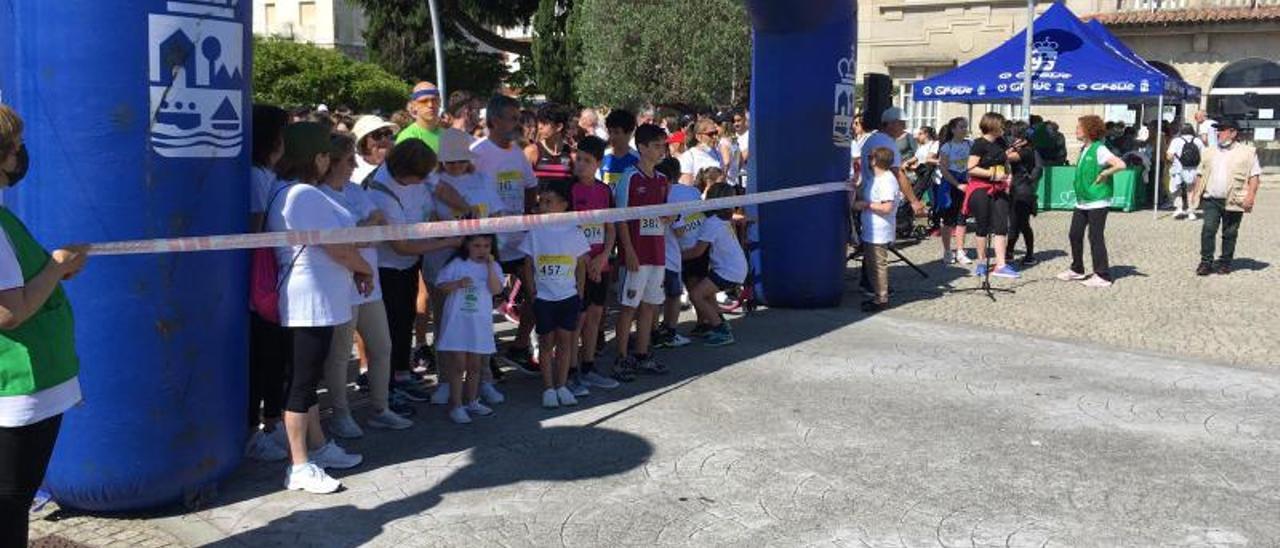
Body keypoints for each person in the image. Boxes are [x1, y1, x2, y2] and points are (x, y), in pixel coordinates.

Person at [0, 105, 90, 547]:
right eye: (14, 147)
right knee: (10, 502)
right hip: (20, 385)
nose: (20, 155)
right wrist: (55, 268)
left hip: (24, 385)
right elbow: (7, 311)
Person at [267, 122, 369, 493]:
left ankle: (318, 447)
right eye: (327, 153)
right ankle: (299, 465)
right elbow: (337, 246)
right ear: (317, 157)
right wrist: (364, 267)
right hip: (308, 300)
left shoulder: (290, 192)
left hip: (316, 297)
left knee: (306, 382)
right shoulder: (302, 195)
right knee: (302, 383)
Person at [317, 133, 413, 438]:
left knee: (382, 346)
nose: (354, 165)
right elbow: (345, 240)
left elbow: (378, 221)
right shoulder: (318, 195)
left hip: (369, 282)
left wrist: (361, 231)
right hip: (340, 285)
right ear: (330, 163)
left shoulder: (355, 190)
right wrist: (363, 231)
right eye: (348, 160)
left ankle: (380, 409)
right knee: (340, 354)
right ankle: (341, 414)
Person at [366, 140, 458, 410]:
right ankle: (387, 389)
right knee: (391, 328)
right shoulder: (381, 193)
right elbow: (402, 246)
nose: (423, 182)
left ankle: (403, 375)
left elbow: (441, 187)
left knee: (406, 319)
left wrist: (466, 210)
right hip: (387, 266)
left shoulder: (419, 170)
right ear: (404, 172)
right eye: (418, 178)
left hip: (409, 263)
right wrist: (447, 241)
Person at [424, 128, 508, 407]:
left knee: (480, 321)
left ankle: (484, 380)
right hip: (443, 258)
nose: (456, 165)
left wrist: (487, 251)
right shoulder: (433, 182)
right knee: (445, 322)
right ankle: (447, 381)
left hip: (478, 259)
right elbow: (429, 219)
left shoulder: (481, 179)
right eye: (450, 160)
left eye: (461, 159)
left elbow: (495, 215)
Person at [472, 95, 540, 374]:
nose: (517, 124)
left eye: (518, 118)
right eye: (512, 118)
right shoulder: (477, 152)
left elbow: (530, 186)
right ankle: (485, 358)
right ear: (494, 121)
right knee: (487, 300)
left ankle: (519, 347)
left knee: (537, 293)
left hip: (518, 239)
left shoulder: (517, 153)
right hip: (489, 241)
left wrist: (524, 219)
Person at [245, 104, 291, 462]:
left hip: (264, 283)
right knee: (266, 360)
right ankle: (260, 430)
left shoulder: (264, 175)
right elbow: (258, 231)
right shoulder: (257, 177)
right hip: (261, 286)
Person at [519, 181, 591, 408]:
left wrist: (579, 292)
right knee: (546, 343)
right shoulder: (536, 231)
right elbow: (528, 265)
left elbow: (581, 265)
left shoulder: (574, 230)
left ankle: (562, 385)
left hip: (568, 297)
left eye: (549, 202)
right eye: (542, 202)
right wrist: (532, 292)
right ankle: (548, 388)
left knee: (566, 342)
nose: (544, 206)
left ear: (564, 205)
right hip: (544, 299)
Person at [613, 123, 672, 380]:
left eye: (664, 145)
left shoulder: (662, 180)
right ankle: (621, 357)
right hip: (635, 255)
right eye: (657, 146)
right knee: (629, 307)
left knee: (649, 306)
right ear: (642, 148)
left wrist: (668, 218)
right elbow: (621, 219)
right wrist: (629, 252)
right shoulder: (630, 177)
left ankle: (641, 354)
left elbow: (660, 215)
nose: (662, 150)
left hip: (657, 252)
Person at [568, 136, 621, 391]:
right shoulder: (568, 189)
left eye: (587, 161)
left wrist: (603, 256)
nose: (580, 164)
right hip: (576, 265)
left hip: (600, 264)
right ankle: (569, 371)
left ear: (598, 163)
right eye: (578, 159)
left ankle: (588, 366)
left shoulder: (604, 191)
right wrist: (586, 258)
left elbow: (610, 228)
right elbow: (567, 228)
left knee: (595, 315)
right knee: (577, 318)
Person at [434, 234, 504, 424]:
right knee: (458, 365)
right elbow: (440, 285)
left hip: (478, 324)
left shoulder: (494, 266)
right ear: (467, 246)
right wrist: (457, 284)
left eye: (486, 246)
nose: (482, 250)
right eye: (477, 245)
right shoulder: (457, 263)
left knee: (475, 365)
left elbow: (496, 289)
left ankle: (472, 400)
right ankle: (456, 405)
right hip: (458, 322)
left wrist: (490, 266)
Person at [1056, 115, 1127, 288]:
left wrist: (1105, 173)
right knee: (1074, 234)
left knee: (1095, 237)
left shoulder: (1099, 149)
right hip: (1083, 200)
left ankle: (1102, 275)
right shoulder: (1084, 149)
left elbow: (1120, 164)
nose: (1076, 130)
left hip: (1098, 200)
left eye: (1079, 127)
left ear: (1089, 130)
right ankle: (1077, 269)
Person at [1191, 119, 1262, 276]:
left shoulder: (1247, 152)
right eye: (1217, 130)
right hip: (1211, 199)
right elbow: (1200, 173)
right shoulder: (1209, 151)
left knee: (1230, 232)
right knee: (1208, 230)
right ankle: (1206, 262)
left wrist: (1250, 196)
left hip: (1234, 199)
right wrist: (1195, 193)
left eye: (1222, 130)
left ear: (1233, 133)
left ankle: (1225, 262)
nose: (1218, 133)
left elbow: (1254, 176)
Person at [680, 182, 748, 344]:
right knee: (707, 294)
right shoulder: (724, 220)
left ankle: (720, 330)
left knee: (696, 295)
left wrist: (675, 257)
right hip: (735, 268)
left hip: (728, 270)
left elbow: (697, 251)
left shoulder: (712, 223)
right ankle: (719, 322)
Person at [653, 159, 702, 350]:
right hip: (671, 257)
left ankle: (653, 334)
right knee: (673, 296)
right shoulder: (675, 198)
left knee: (654, 299)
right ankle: (669, 333)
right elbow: (680, 231)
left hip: (652, 258)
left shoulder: (652, 198)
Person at [964, 112, 1020, 279]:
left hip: (1000, 188)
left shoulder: (1002, 142)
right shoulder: (979, 144)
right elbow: (971, 168)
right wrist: (991, 174)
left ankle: (1001, 264)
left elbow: (1005, 162)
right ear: (993, 126)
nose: (1004, 129)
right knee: (982, 226)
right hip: (981, 187)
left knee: (1001, 225)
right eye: (1002, 125)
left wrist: (1009, 175)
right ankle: (982, 262)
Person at [853, 147, 901, 312]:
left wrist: (866, 205)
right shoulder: (876, 178)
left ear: (875, 160)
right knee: (872, 265)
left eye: (870, 157)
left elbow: (887, 207)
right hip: (871, 229)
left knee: (878, 265)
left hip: (880, 231)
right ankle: (878, 296)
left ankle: (882, 299)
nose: (868, 160)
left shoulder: (887, 180)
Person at [859, 107, 925, 219]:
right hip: (881, 198)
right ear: (890, 124)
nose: (905, 127)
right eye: (901, 123)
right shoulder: (885, 142)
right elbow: (897, 172)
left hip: (874, 196)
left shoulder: (875, 138)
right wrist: (914, 201)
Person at [936, 117, 972, 265]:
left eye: (965, 127)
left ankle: (960, 250)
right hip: (951, 185)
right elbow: (943, 168)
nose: (964, 130)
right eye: (961, 127)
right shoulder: (947, 147)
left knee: (962, 218)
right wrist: (957, 184)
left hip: (966, 181)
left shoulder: (970, 144)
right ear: (953, 130)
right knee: (948, 219)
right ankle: (947, 250)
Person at [1007, 121, 1042, 267]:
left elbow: (1003, 157)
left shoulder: (1026, 151)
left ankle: (1029, 254)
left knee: (1022, 224)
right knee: (1015, 224)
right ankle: (1009, 252)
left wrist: (1011, 148)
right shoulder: (1027, 150)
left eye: (1014, 136)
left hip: (1023, 192)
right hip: (1017, 190)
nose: (1012, 138)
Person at [525, 103, 574, 187]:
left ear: (559, 126)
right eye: (539, 122)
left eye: (545, 123)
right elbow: (521, 185)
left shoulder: (571, 154)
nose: (539, 126)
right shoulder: (532, 152)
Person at [1166, 124, 1204, 220]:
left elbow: (1169, 155)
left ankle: (1179, 207)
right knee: (1190, 190)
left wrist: (1173, 162)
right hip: (1193, 169)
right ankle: (1191, 211)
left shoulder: (1176, 141)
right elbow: (1204, 154)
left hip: (1178, 168)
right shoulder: (1197, 140)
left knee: (1176, 188)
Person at [396, 82, 443, 152]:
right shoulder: (408, 138)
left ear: (439, 102)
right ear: (414, 106)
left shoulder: (449, 135)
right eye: (424, 101)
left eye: (434, 100)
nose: (430, 105)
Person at [351, 115, 397, 184]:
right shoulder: (353, 172)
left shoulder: (399, 167)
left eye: (388, 133)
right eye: (377, 135)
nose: (384, 139)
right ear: (363, 142)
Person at [600, 109, 640, 186]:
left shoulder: (638, 160)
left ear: (629, 133)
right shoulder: (602, 157)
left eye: (616, 132)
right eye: (610, 132)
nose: (612, 137)